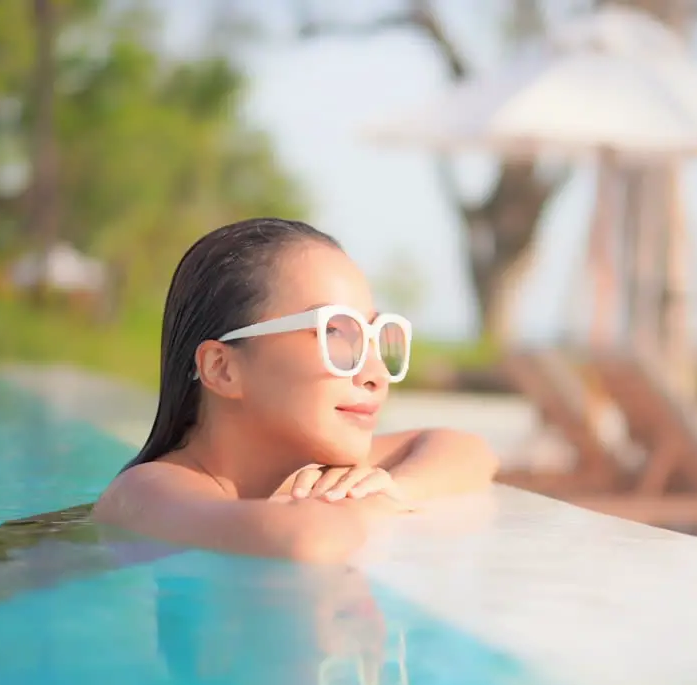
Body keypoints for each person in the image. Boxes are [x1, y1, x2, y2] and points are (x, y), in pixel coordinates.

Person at [93, 218, 498, 562]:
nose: (377, 373)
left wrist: (396, 487)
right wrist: (370, 505)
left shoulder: (306, 470)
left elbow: (467, 450)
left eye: (375, 335)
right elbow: (306, 540)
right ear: (223, 368)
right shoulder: (146, 492)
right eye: (335, 332)